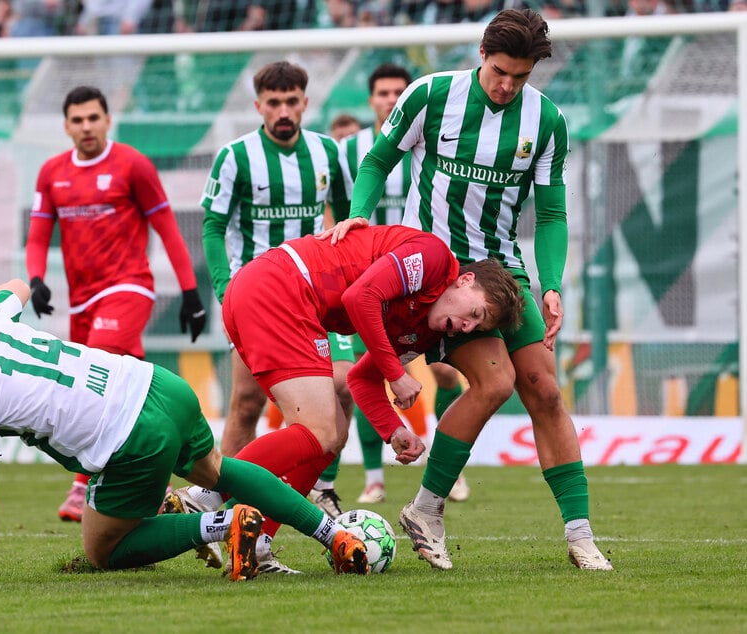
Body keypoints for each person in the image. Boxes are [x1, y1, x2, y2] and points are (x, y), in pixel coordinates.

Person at [327, 8, 613, 571]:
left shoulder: (547, 121)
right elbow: (378, 160)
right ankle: (427, 508)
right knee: (496, 381)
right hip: (434, 272)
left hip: (503, 273)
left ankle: (580, 535)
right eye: (501, 71)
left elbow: (551, 214)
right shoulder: (431, 96)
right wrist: (359, 216)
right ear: (482, 54)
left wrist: (551, 285)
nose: (508, 85)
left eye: (521, 76)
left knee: (546, 391)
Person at [0, 280, 369, 590]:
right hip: (158, 385)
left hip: (130, 436)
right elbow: (16, 286)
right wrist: (18, 297)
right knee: (217, 470)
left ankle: (223, 526)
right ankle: (335, 535)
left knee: (102, 550)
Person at [169, 225, 523, 570]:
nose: (466, 327)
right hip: (281, 286)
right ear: (465, 281)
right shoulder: (434, 258)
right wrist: (397, 376)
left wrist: (393, 430)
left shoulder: (420, 327)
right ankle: (204, 497)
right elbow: (360, 296)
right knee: (321, 430)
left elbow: (362, 378)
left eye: (476, 327)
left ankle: (257, 543)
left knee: (331, 435)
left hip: (277, 296)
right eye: (475, 314)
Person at [195, 60, 356, 571]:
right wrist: (224, 290)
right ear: (259, 104)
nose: (283, 111)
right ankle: (218, 501)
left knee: (341, 392)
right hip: (260, 300)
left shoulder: (328, 153)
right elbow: (213, 228)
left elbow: (348, 218)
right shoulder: (236, 157)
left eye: (292, 102)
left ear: (306, 102)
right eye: (273, 103)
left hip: (315, 297)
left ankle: (313, 491)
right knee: (245, 402)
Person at [25, 85, 208, 523]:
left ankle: (80, 485)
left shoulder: (132, 165)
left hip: (129, 288)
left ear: (108, 120)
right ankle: (161, 472)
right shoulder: (52, 173)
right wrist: (35, 279)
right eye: (77, 119)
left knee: (97, 364)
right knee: (131, 384)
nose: (86, 126)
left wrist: (189, 292)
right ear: (66, 126)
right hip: (83, 298)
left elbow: (165, 227)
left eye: (94, 118)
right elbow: (36, 236)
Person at [342, 62, 470, 505]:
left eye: (400, 91)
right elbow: (338, 210)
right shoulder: (352, 150)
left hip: (418, 274)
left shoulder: (429, 139)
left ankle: (447, 468)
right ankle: (374, 476)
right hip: (368, 278)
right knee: (367, 369)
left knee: (445, 369)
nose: (392, 100)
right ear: (370, 99)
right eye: (383, 93)